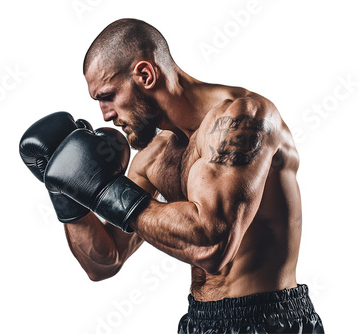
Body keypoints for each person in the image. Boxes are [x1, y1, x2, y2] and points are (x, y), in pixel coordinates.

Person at [20, 18, 324, 333]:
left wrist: (105, 190)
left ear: (145, 75)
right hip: (198, 321)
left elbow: (213, 245)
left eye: (107, 95)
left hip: (270, 322)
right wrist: (68, 196)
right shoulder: (154, 155)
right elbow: (103, 262)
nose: (106, 115)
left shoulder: (243, 119)